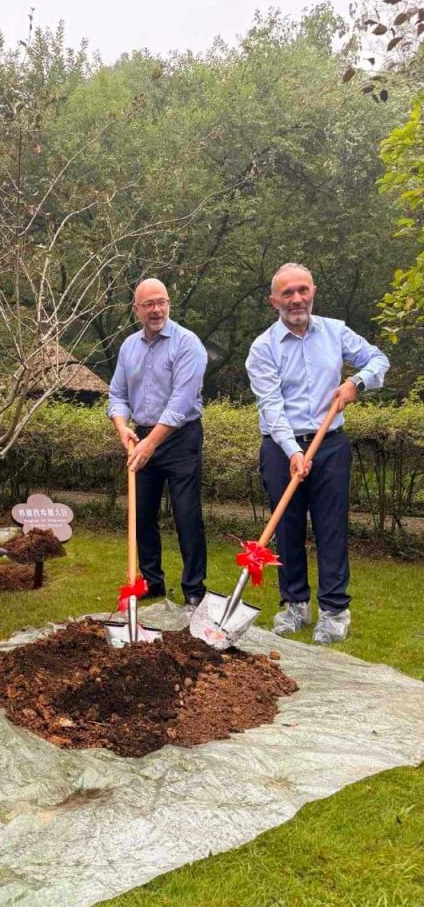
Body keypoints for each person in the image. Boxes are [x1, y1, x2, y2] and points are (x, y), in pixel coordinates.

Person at [245, 262, 390, 643]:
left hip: (330, 446)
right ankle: (294, 605)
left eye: (302, 290)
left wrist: (356, 383)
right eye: (287, 293)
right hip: (281, 447)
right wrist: (294, 451)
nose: (296, 299)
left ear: (313, 291)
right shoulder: (262, 348)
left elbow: (379, 360)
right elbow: (271, 407)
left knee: (330, 528)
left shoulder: (336, 331)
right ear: (273, 300)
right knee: (287, 527)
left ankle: (334, 610)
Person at [107, 277, 209, 606]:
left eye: (161, 301)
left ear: (169, 303)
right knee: (141, 514)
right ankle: (152, 581)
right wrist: (123, 427)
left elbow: (181, 404)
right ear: (136, 309)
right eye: (148, 304)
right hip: (141, 434)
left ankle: (194, 589)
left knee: (186, 515)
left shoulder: (187, 343)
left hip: (181, 438)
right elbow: (117, 395)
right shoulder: (128, 347)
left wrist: (152, 443)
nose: (156, 309)